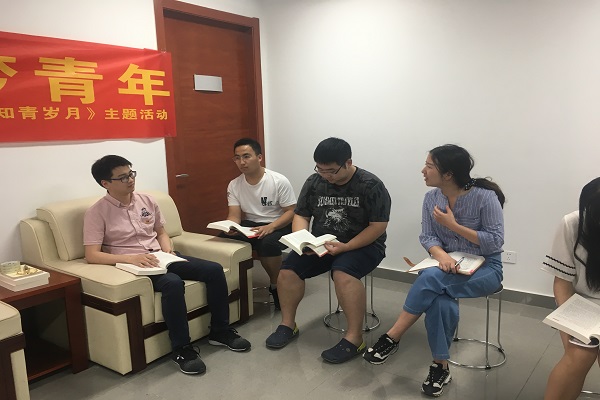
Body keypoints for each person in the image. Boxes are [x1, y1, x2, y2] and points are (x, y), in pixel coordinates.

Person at [83, 155, 251, 375]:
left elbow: (161, 232)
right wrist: (130, 258)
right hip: (132, 265)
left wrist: (168, 251)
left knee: (213, 269)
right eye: (123, 177)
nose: (130, 180)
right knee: (172, 283)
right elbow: (92, 255)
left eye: (131, 174)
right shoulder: (97, 212)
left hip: (161, 256)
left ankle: (220, 331)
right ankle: (182, 349)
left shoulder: (147, 201)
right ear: (105, 183)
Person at [363, 144, 505, 397]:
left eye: (429, 166)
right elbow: (427, 236)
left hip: (485, 269)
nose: (423, 170)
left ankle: (393, 337)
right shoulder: (431, 198)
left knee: (430, 279)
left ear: (448, 174)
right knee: (439, 299)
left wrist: (453, 225)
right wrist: (442, 256)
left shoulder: (485, 197)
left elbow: (495, 242)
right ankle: (440, 366)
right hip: (445, 268)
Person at [265, 137, 392, 364]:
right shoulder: (314, 182)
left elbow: (378, 226)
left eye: (331, 171)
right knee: (288, 271)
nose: (326, 176)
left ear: (348, 162)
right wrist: (303, 240)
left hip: (363, 245)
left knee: (342, 273)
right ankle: (287, 324)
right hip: (321, 244)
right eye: (320, 169)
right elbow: (301, 215)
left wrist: (347, 246)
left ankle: (354, 338)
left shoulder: (370, 185)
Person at [542, 177, 600, 400]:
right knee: (578, 355)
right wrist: (569, 333)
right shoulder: (573, 223)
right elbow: (562, 283)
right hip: (583, 304)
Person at [223, 138, 297, 309]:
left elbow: (291, 212)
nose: (242, 162)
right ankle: (234, 288)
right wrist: (230, 227)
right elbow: (234, 215)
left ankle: (276, 285)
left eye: (246, 156)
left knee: (267, 244)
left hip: (279, 223)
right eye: (237, 158)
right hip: (251, 224)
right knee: (223, 240)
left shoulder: (278, 180)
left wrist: (271, 227)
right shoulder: (234, 184)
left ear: (259, 157)